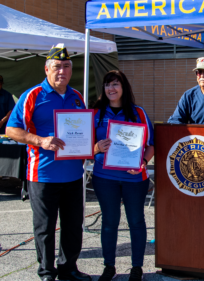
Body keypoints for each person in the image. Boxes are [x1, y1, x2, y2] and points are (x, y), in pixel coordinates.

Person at [6, 44, 91, 281]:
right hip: (42, 175)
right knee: (44, 228)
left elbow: (84, 131)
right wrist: (40, 140)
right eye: (56, 67)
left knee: (73, 226)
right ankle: (46, 272)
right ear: (46, 69)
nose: (61, 71)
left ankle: (68, 269)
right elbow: (12, 129)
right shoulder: (32, 95)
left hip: (74, 173)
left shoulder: (77, 97)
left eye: (66, 66)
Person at [92, 70, 154, 281]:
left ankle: (137, 267)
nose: (111, 88)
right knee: (109, 222)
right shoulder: (96, 113)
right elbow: (84, 147)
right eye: (108, 85)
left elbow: (151, 144)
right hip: (104, 177)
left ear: (123, 87)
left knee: (136, 221)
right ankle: (109, 266)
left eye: (115, 84)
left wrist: (143, 162)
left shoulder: (139, 112)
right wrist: (96, 148)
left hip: (134, 178)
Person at [167, 56, 204, 124]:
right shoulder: (188, 96)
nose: (202, 76)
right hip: (197, 134)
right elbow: (175, 121)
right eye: (199, 72)